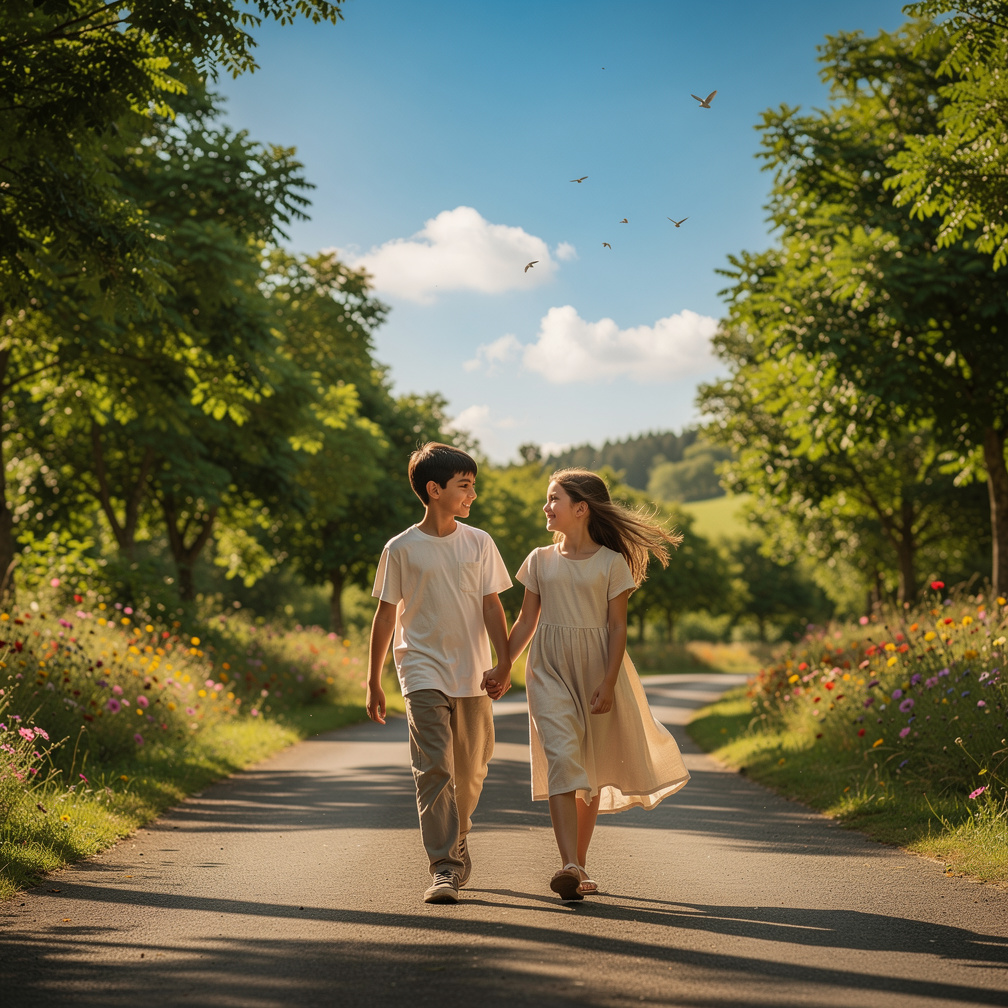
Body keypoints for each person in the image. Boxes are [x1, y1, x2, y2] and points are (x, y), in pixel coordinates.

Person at [507, 468, 690, 901]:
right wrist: (502, 667)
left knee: (586, 770)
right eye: (548, 499)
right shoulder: (538, 560)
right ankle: (567, 861)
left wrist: (608, 682)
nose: (546, 507)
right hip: (548, 669)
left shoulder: (612, 563)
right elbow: (525, 621)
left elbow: (617, 628)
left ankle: (578, 865)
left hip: (597, 673)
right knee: (563, 758)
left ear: (581, 508)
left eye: (554, 499)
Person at [366, 442, 512, 905]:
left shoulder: (479, 542)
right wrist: (374, 680)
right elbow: (386, 617)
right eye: (464, 487)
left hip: (471, 673)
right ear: (434, 490)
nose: (473, 496)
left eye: (472, 487)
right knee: (434, 770)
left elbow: (492, 605)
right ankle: (444, 867)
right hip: (421, 669)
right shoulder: (401, 548)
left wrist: (505, 661)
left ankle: (459, 831)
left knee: (469, 774)